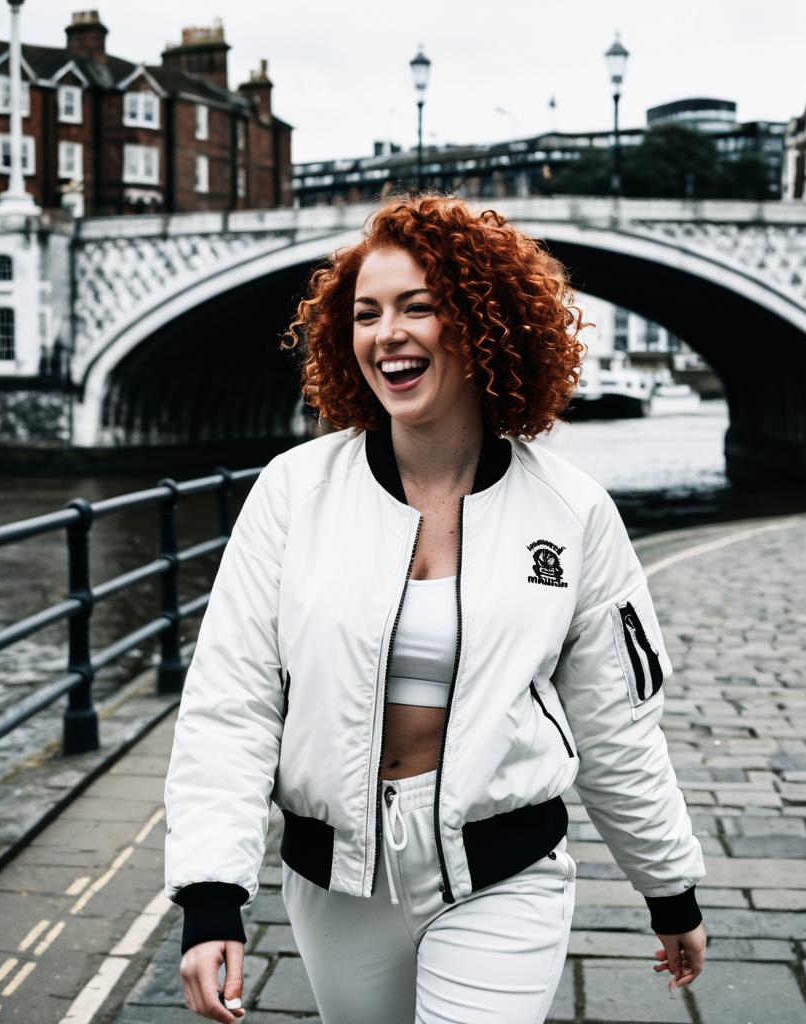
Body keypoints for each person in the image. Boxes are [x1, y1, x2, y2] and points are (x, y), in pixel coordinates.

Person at [164, 193, 707, 1024]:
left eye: (418, 307)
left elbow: (618, 725)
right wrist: (211, 896)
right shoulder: (293, 493)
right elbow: (231, 701)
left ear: (485, 323)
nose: (388, 334)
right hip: (337, 881)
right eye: (367, 314)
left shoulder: (573, 512)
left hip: (503, 872)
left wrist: (669, 886)